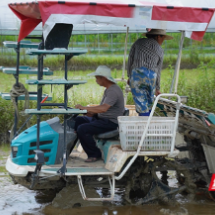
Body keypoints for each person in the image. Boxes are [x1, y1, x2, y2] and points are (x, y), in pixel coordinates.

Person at [74, 65, 125, 162]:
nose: (96, 80)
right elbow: (103, 109)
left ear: (103, 78)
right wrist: (90, 113)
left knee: (82, 129)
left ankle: (94, 154)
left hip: (110, 122)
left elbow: (104, 108)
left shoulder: (113, 91)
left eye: (97, 78)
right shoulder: (109, 89)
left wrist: (85, 107)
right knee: (78, 120)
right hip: (103, 119)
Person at [127, 29, 173, 116]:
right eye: (163, 38)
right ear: (158, 36)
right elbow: (158, 70)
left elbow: (130, 60)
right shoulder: (160, 49)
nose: (163, 41)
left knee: (141, 105)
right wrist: (157, 88)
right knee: (149, 104)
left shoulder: (138, 42)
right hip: (151, 76)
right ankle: (149, 124)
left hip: (137, 74)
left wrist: (130, 76)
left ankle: (145, 126)